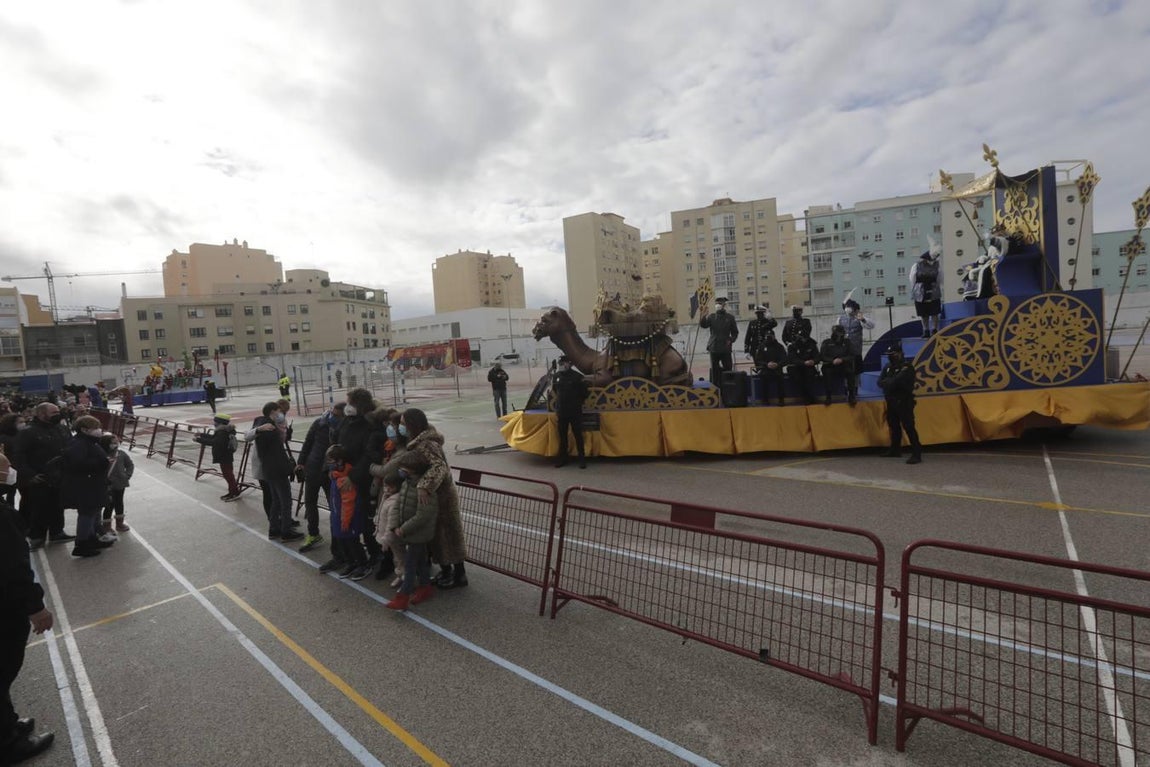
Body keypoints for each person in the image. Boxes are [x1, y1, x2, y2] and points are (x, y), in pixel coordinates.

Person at [1, 451, 56, 765]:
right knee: (3, 670)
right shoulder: (2, 516)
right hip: (5, 609)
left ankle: (9, 722)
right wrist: (36, 607)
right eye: (7, 469)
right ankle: (8, 744)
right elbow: (14, 568)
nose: (11, 474)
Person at [401, 408, 467, 590]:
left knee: (449, 535)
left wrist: (424, 486)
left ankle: (459, 574)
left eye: (404, 424)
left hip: (442, 495)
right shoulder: (418, 442)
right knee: (437, 536)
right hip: (434, 496)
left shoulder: (428, 444)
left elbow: (439, 466)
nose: (402, 428)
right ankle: (446, 571)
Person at [12, 402, 74, 549]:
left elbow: (70, 447)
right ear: (41, 414)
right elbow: (19, 456)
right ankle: (37, 536)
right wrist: (29, 475)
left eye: (58, 411)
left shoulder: (62, 429)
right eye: (54, 412)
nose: (57, 414)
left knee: (59, 505)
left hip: (60, 475)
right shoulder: (28, 432)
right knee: (39, 508)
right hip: (40, 476)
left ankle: (57, 532)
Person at [384, 452, 439, 611]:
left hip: (418, 534)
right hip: (408, 532)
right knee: (421, 561)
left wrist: (404, 528)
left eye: (404, 469)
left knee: (409, 565)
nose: (401, 471)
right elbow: (397, 505)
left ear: (415, 471)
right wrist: (395, 525)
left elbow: (423, 515)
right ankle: (425, 587)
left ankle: (403, 597)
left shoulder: (426, 490)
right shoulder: (406, 484)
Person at [60, 415, 115, 558]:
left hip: (92, 484)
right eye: (95, 428)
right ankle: (82, 543)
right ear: (84, 429)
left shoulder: (87, 442)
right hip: (86, 486)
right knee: (87, 514)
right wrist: (102, 463)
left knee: (93, 513)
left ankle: (91, 538)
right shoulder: (79, 444)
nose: (99, 430)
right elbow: (77, 464)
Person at [295, 404, 343, 553]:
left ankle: (338, 539)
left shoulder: (344, 428)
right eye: (332, 413)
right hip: (312, 469)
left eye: (336, 415)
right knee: (310, 502)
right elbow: (308, 443)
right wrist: (301, 463)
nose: (332, 416)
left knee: (334, 507)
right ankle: (313, 534)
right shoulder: (319, 423)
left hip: (330, 474)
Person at [252, 402, 303, 543]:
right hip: (277, 470)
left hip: (269, 470)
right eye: (279, 412)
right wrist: (289, 468)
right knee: (285, 501)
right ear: (273, 412)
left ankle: (274, 529)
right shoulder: (269, 428)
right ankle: (286, 531)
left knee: (276, 501)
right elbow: (278, 453)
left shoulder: (263, 427)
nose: (281, 415)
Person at [324, 444, 369, 580]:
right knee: (342, 541)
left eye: (331, 461)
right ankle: (351, 562)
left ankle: (362, 564)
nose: (329, 464)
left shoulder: (345, 480)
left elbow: (348, 503)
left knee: (352, 542)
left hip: (347, 517)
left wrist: (345, 520)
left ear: (340, 461)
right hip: (338, 515)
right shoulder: (336, 476)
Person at [878, 342, 923, 464]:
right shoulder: (888, 366)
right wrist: (889, 382)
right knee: (894, 426)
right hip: (891, 400)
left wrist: (889, 382)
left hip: (904, 401)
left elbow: (895, 382)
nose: (890, 356)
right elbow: (880, 382)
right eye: (889, 354)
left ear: (899, 354)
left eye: (892, 354)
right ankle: (895, 450)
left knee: (909, 427)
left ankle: (917, 453)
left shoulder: (907, 367)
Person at [551, 356, 589, 469]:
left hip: (575, 412)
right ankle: (563, 458)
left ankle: (581, 459)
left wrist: (576, 402)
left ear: (569, 363)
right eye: (560, 363)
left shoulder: (578, 377)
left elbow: (585, 393)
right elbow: (555, 390)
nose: (562, 365)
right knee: (562, 437)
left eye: (564, 363)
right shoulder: (556, 376)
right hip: (562, 412)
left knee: (578, 436)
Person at [196, 414, 243, 501]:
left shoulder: (222, 432)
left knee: (228, 475)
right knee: (229, 474)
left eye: (215, 421)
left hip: (224, 456)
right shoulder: (224, 430)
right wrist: (202, 435)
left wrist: (199, 440)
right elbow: (214, 438)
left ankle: (234, 493)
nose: (214, 423)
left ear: (220, 422)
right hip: (226, 455)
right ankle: (232, 491)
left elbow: (215, 442)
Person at [838, 297, 873, 405]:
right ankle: (846, 389)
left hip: (856, 349)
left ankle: (855, 389)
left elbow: (870, 326)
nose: (848, 309)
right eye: (847, 307)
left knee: (856, 371)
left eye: (850, 307)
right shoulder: (840, 318)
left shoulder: (859, 318)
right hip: (844, 351)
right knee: (845, 371)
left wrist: (862, 319)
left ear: (854, 309)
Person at [699, 296, 739, 385]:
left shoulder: (730, 317)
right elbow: (704, 325)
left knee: (728, 369)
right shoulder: (712, 317)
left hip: (725, 347)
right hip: (714, 347)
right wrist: (703, 316)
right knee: (715, 371)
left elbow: (735, 333)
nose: (718, 305)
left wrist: (731, 340)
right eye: (717, 303)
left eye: (720, 303)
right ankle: (715, 387)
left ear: (724, 305)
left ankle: (728, 387)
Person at [100, 434, 134, 535]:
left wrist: (127, 475)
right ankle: (106, 526)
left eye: (116, 442)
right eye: (112, 443)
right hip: (107, 485)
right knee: (109, 504)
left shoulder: (121, 454)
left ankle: (119, 524)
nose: (115, 444)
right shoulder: (101, 455)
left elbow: (130, 465)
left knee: (119, 502)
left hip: (120, 483)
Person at [909, 247, 942, 338]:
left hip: (933, 291)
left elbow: (939, 278)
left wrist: (936, 287)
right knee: (923, 313)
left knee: (934, 312)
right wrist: (915, 289)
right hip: (920, 291)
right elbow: (912, 279)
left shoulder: (937, 265)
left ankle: (934, 329)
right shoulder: (916, 265)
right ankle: (926, 330)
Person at [819, 325, 854, 406]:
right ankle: (828, 396)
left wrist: (842, 359)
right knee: (827, 373)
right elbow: (822, 356)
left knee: (850, 371)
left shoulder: (847, 342)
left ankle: (851, 395)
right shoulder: (826, 342)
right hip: (830, 365)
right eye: (837, 333)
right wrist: (832, 361)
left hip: (843, 364)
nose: (839, 335)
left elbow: (851, 355)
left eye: (841, 333)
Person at [786, 325, 820, 406]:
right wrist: (803, 362)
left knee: (810, 377)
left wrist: (813, 361)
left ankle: (810, 397)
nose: (800, 339)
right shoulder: (793, 346)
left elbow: (817, 357)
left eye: (802, 337)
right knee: (799, 378)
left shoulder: (812, 344)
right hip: (796, 367)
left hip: (809, 366)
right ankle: (807, 397)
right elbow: (792, 358)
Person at [753, 329, 788, 406]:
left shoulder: (779, 346)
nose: (769, 338)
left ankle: (781, 400)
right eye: (767, 336)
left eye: (771, 336)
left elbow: (785, 359)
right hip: (766, 369)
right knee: (764, 379)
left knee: (780, 380)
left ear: (774, 336)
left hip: (777, 369)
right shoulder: (761, 346)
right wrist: (766, 364)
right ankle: (765, 399)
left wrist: (777, 364)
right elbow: (758, 359)